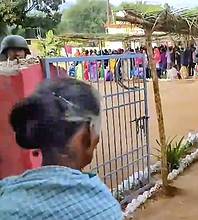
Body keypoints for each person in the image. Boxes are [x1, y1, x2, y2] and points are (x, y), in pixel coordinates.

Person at [0, 78, 122, 219]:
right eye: (95, 130)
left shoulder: (6, 199)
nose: (98, 139)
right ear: (86, 136)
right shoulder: (103, 209)